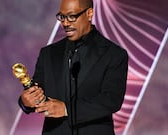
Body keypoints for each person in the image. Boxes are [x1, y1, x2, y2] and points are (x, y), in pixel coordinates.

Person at [18, 0, 128, 135]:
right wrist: (26, 101)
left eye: (71, 16)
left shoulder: (114, 54)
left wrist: (66, 109)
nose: (65, 23)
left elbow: (111, 100)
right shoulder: (48, 54)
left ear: (89, 13)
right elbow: (38, 91)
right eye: (62, 17)